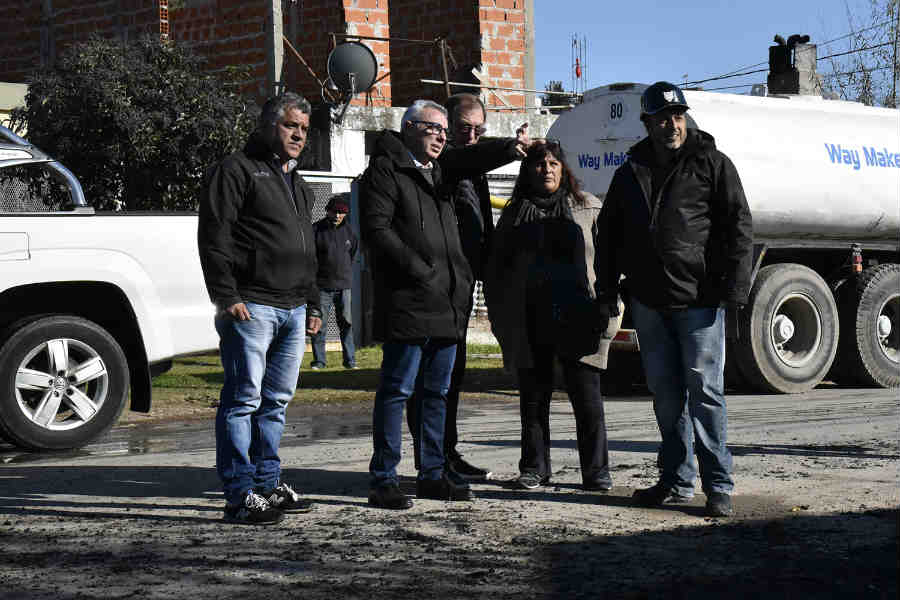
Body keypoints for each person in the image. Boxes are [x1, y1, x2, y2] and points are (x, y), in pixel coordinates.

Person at [596, 81, 753, 517]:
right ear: (647, 123)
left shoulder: (712, 164)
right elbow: (608, 235)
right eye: (663, 118)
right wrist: (607, 288)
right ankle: (676, 480)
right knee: (665, 396)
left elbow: (738, 227)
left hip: (699, 301)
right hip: (649, 302)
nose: (672, 124)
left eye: (678, 115)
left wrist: (733, 289)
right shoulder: (628, 174)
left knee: (705, 392)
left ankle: (718, 485)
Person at [198, 92, 323, 525]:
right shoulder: (236, 170)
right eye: (292, 126)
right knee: (242, 400)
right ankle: (239, 494)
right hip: (250, 306)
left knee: (276, 403)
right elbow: (215, 237)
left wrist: (312, 304)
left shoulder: (298, 183)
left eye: (304, 130)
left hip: (292, 310)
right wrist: (226, 295)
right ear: (270, 124)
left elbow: (308, 250)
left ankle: (268, 485)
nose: (299, 136)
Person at [406, 92, 532, 482]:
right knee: (428, 380)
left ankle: (447, 452)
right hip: (435, 289)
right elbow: (466, 158)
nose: (472, 136)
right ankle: (432, 458)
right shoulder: (443, 162)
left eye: (479, 130)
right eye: (464, 129)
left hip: (463, 286)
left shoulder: (473, 164)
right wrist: (510, 147)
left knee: (452, 377)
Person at [484, 140, 623, 492]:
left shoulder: (588, 208)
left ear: (563, 170)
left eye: (552, 163)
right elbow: (496, 272)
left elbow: (612, 262)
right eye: (538, 164)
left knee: (587, 400)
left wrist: (610, 310)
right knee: (533, 401)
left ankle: (596, 473)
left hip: (580, 316)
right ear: (527, 171)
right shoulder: (515, 215)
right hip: (531, 320)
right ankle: (534, 469)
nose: (546, 169)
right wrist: (503, 321)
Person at [359, 99, 475, 509]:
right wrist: (420, 271)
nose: (442, 136)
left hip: (446, 303)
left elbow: (476, 157)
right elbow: (376, 229)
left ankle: (431, 474)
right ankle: (384, 478)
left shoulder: (440, 174)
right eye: (433, 128)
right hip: (410, 302)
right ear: (409, 128)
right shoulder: (387, 171)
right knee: (397, 391)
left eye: (445, 131)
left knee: (436, 394)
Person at [309, 196, 359, 370]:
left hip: (344, 286)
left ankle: (350, 361)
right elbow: (310, 258)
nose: (338, 215)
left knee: (346, 324)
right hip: (321, 287)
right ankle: (319, 362)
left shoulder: (351, 233)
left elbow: (352, 254)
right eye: (335, 211)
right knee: (318, 325)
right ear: (327, 210)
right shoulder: (315, 230)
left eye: (342, 212)